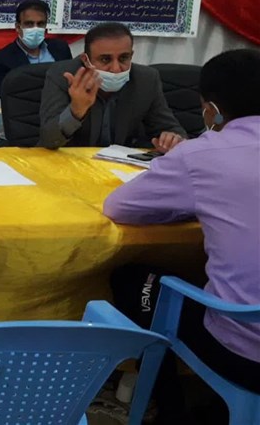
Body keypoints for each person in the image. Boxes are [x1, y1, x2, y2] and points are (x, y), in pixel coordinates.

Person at [105, 49, 260, 420]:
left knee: (132, 279)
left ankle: (169, 410)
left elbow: (118, 207)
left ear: (211, 111)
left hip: (246, 352)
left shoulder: (201, 153)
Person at [38, 22, 185, 151]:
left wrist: (171, 139)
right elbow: (48, 140)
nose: (116, 68)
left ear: (131, 55)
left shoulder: (146, 79)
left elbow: (171, 129)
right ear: (86, 60)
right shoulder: (64, 76)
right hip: (70, 164)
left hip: (121, 166)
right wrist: (76, 111)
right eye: (105, 59)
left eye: (124, 58)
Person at [0, 0, 72, 97]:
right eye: (29, 24)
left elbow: (71, 82)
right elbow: (8, 98)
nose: (35, 28)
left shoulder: (61, 48)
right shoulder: (1, 60)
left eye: (40, 24)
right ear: (18, 27)